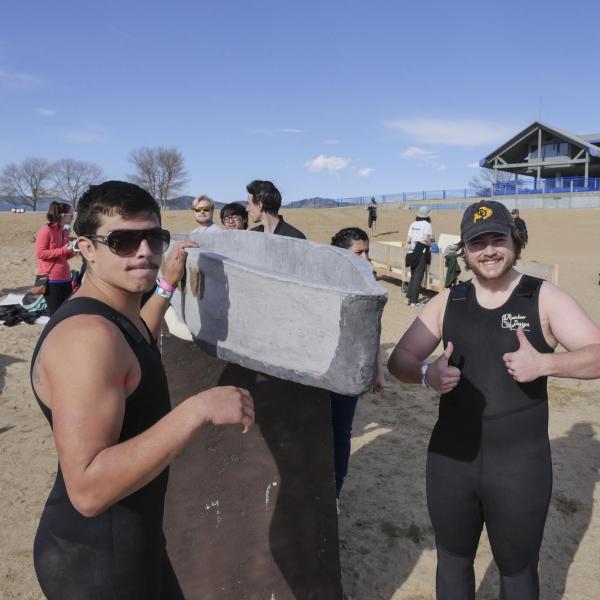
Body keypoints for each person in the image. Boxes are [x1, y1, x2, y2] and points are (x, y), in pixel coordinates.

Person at [30, 181, 255, 600]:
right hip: (99, 561)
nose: (144, 251)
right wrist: (195, 410)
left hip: (132, 539)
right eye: (122, 240)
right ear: (86, 248)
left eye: (154, 237)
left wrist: (166, 287)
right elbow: (89, 490)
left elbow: (137, 344)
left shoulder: (114, 317)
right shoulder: (87, 340)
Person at [387, 200, 600, 600]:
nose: (488, 250)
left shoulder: (543, 297)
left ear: (514, 242)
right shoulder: (450, 300)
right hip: (450, 462)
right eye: (477, 242)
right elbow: (400, 359)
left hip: (520, 467)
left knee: (517, 570)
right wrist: (426, 375)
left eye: (498, 239)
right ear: (465, 251)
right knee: (452, 560)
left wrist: (545, 364)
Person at [330, 227, 385, 503]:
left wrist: (377, 367)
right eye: (358, 252)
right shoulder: (325, 279)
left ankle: (335, 493)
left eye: (367, 251)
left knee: (341, 433)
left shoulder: (370, 282)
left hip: (350, 372)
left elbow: (373, 327)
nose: (365, 258)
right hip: (322, 370)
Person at [34, 201, 76, 315]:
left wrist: (74, 250)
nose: (72, 218)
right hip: (51, 279)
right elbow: (40, 253)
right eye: (71, 215)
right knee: (56, 315)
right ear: (62, 215)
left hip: (66, 277)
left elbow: (64, 256)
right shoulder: (46, 230)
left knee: (67, 313)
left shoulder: (63, 231)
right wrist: (64, 249)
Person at [405, 205, 434, 307]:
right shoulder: (427, 225)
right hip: (421, 251)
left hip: (411, 251)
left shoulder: (413, 224)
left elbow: (408, 240)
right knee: (418, 277)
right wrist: (432, 245)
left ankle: (408, 298)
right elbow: (426, 238)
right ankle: (414, 302)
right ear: (427, 216)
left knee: (413, 276)